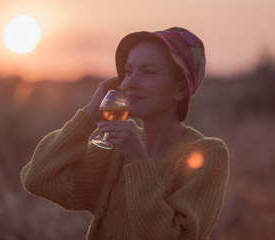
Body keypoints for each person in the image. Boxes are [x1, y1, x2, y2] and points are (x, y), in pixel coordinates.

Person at [20, 27, 230, 240]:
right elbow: (38, 178)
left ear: (181, 90)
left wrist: (138, 162)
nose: (129, 83)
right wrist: (90, 113)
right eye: (128, 71)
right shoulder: (115, 149)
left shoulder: (208, 154)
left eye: (148, 72)